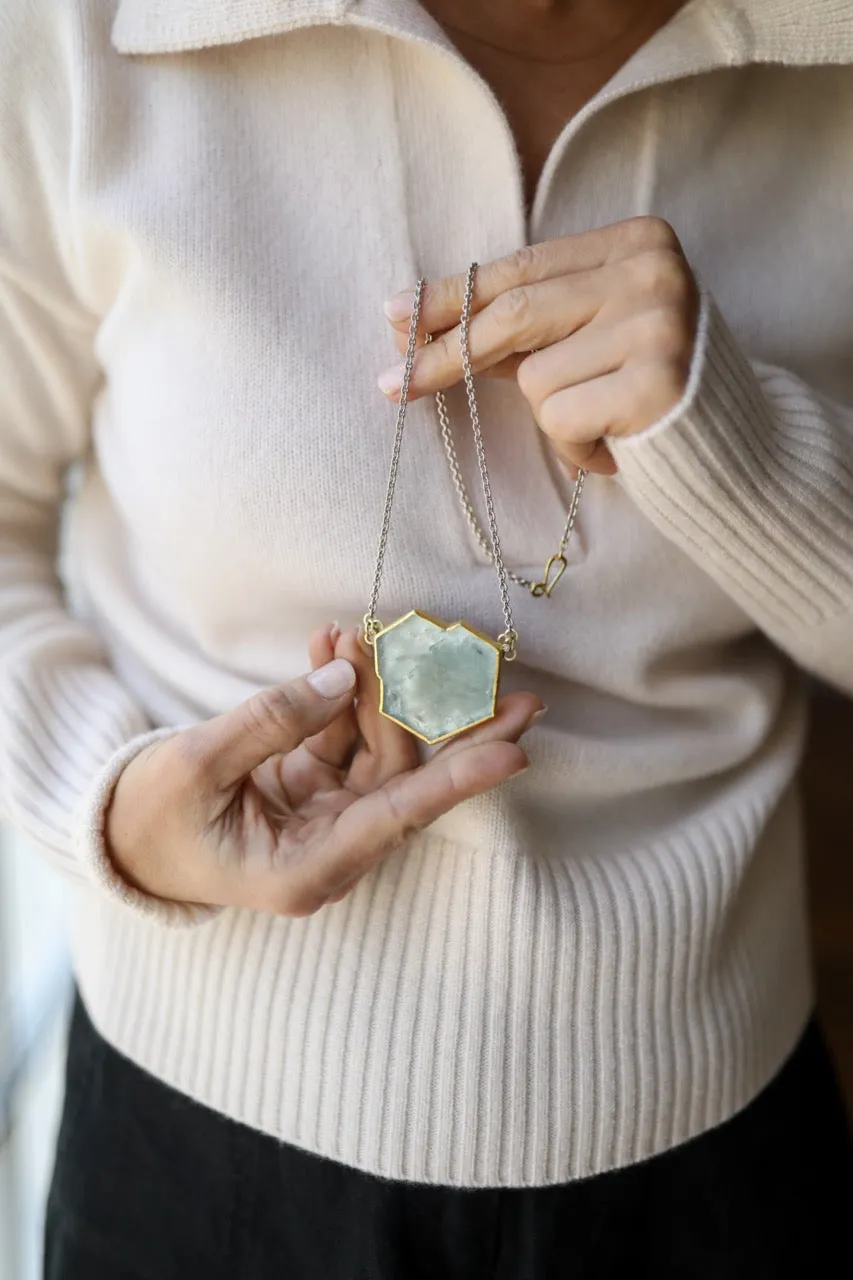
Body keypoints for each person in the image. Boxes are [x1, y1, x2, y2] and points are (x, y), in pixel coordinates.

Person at [2, 0, 852, 1275]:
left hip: (712, 1149)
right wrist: (108, 801)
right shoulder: (79, 32)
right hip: (197, 1146)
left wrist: (732, 447)